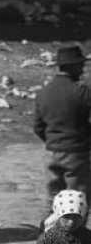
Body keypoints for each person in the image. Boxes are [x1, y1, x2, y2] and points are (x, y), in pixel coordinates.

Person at [34, 45, 91, 208]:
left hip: (51, 152)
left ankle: (48, 224)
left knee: (53, 199)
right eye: (81, 65)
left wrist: (53, 141)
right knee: (77, 200)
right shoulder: (82, 92)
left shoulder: (43, 92)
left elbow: (38, 127)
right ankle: (74, 226)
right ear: (72, 66)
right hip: (76, 154)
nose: (83, 70)